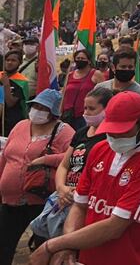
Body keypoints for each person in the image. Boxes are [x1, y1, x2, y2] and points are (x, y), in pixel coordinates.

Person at [29, 92, 140, 265]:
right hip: (89, 257)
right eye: (111, 132)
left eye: (122, 132)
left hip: (131, 258)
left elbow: (115, 227)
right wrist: (68, 246)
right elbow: (80, 206)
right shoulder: (99, 149)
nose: (115, 138)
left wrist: (52, 246)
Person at [0, 89, 74, 265]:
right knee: (3, 244)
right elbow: (5, 156)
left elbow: (72, 158)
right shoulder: (20, 126)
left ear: (53, 111)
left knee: (43, 248)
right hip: (10, 200)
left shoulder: (64, 131)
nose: (38, 110)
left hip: (42, 201)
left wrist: (46, 159)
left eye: (44, 108)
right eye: (36, 106)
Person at [33, 88, 113, 244]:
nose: (86, 113)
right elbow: (64, 165)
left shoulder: (110, 138)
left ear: (106, 109)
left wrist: (77, 194)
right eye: (85, 108)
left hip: (85, 202)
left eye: (91, 109)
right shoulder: (81, 133)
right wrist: (61, 188)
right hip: (63, 197)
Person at [61, 49, 105, 130]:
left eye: (82, 59)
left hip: (85, 116)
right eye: (78, 58)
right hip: (68, 115)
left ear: (88, 61)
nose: (80, 60)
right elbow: (64, 95)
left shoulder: (96, 74)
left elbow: (104, 94)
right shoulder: (70, 75)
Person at [0, 49, 30, 137]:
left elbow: (10, 103)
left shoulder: (21, 82)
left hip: (11, 121)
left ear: (19, 63)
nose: (9, 62)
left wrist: (6, 84)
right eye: (7, 60)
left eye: (13, 60)